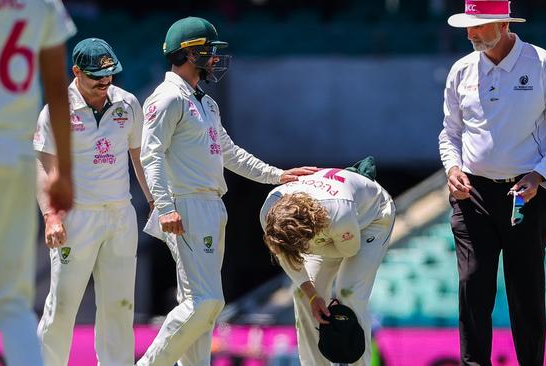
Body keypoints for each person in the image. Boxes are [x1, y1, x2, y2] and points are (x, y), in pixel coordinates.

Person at [137, 16, 318, 365]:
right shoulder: (167, 98)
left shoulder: (205, 103)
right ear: (189, 54)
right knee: (205, 302)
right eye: (209, 52)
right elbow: (151, 155)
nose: (215, 59)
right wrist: (165, 206)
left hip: (210, 205)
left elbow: (230, 154)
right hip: (185, 206)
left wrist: (278, 176)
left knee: (201, 312)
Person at [439, 1, 546, 365]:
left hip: (526, 193)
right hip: (471, 194)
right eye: (468, 26)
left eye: (478, 26)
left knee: (525, 289)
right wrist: (452, 167)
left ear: (503, 24)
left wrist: (540, 175)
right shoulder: (461, 70)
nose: (470, 33)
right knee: (472, 285)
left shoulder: (541, 63)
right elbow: (450, 133)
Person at [33, 38, 153, 366]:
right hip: (77, 218)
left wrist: (155, 200)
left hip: (119, 215)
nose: (105, 83)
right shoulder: (57, 109)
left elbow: (139, 155)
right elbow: (45, 166)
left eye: (110, 75)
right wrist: (51, 217)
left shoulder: (127, 103)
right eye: (97, 77)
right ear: (75, 71)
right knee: (62, 306)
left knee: (119, 308)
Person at [0, 1, 76, 364]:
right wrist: (63, 171)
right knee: (11, 301)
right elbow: (56, 86)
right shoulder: (42, 3)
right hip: (14, 155)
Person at [260, 165, 395, 366]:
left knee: (348, 293)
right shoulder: (269, 212)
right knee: (302, 295)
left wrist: (310, 249)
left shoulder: (339, 212)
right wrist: (313, 295)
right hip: (328, 231)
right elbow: (284, 254)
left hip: (372, 219)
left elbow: (349, 251)